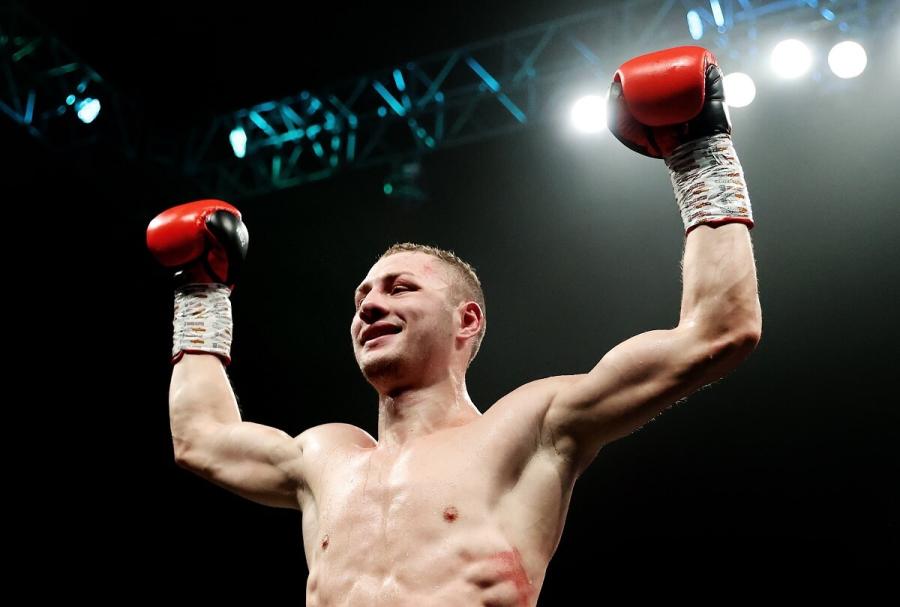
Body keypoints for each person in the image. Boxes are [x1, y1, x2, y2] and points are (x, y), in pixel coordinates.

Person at [148, 46, 761, 606]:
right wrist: (201, 293)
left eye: (400, 288)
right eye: (362, 296)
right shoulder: (324, 457)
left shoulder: (530, 426)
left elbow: (718, 331)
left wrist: (699, 153)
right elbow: (199, 437)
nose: (368, 306)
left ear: (466, 320)